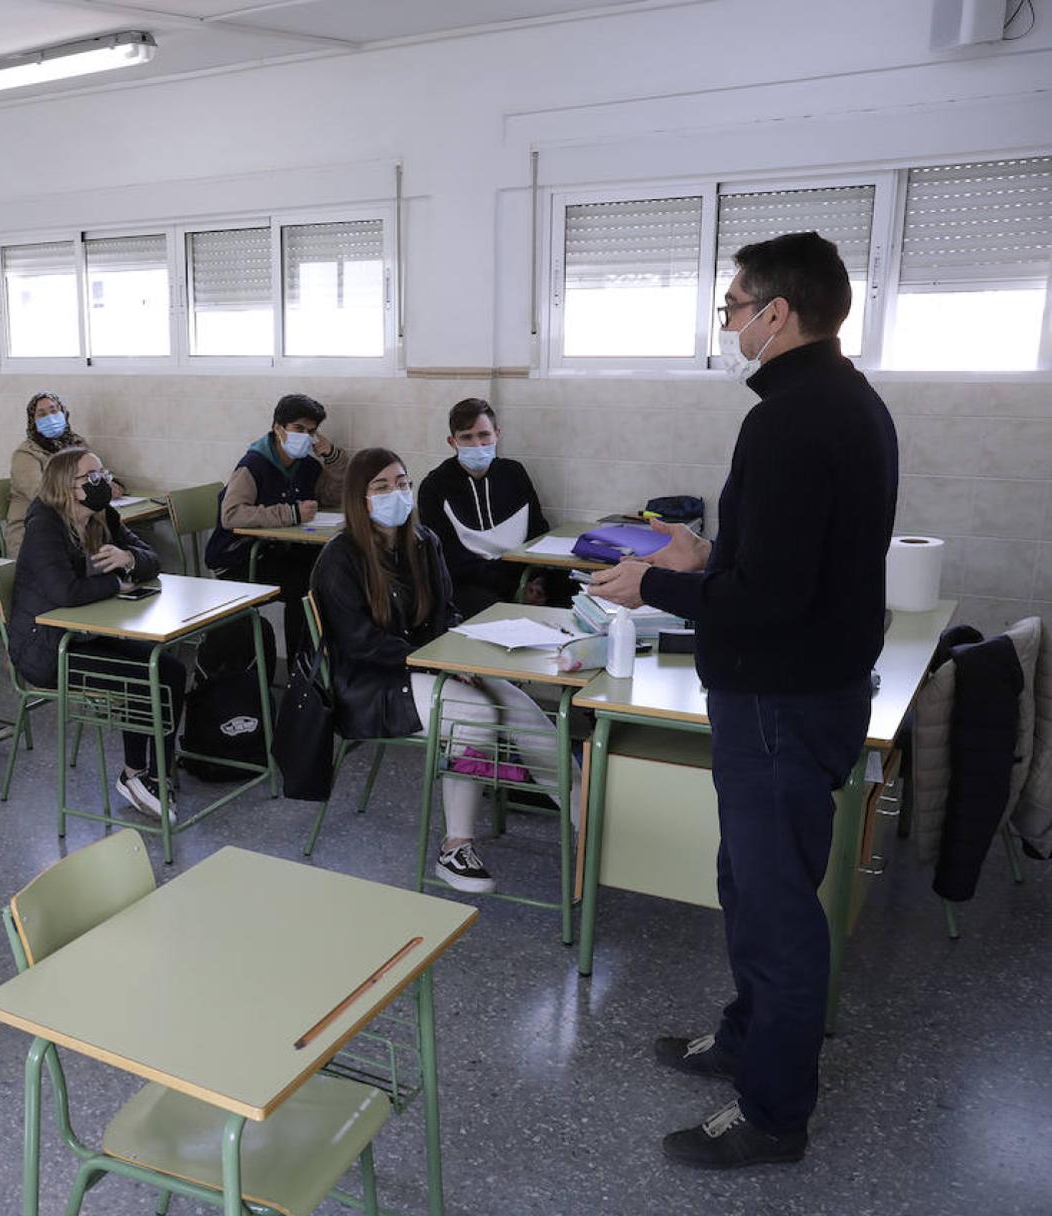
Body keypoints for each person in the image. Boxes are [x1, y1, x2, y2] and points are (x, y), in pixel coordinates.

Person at [590, 232, 898, 1169]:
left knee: (776, 912)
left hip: (779, 698)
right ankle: (743, 1040)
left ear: (777, 312)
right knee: (752, 886)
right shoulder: (845, 402)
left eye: (733, 308)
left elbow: (773, 602)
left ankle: (773, 1116)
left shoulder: (792, 418)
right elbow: (781, 568)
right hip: (803, 690)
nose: (728, 324)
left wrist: (657, 587)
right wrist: (707, 560)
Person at [312, 449, 576, 894]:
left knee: (519, 705)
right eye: (381, 487)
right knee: (475, 715)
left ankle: (583, 815)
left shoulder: (422, 542)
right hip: (370, 685)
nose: (396, 493)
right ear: (358, 498)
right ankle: (456, 849)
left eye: (401, 483)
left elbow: (445, 614)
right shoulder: (340, 558)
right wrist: (440, 663)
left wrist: (458, 657)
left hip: (426, 664)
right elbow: (361, 645)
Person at [8, 446, 182, 822]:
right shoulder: (44, 527)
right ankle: (134, 774)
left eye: (102, 472)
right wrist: (117, 583)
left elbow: (151, 558)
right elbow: (65, 593)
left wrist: (129, 559)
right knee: (144, 677)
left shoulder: (102, 515)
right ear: (66, 487)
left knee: (169, 669)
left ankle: (161, 773)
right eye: (92, 477)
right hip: (46, 648)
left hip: (86, 633)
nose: (102, 481)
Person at [203, 393, 348, 659]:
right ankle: (300, 667)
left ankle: (323, 663)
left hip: (277, 551)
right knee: (305, 584)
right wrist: (290, 513)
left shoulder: (304, 465)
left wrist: (333, 458)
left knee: (330, 569)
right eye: (299, 429)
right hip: (240, 557)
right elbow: (231, 514)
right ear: (278, 428)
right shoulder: (253, 464)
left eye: (312, 431)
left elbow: (330, 496)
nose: (306, 436)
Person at [416, 398, 563, 618]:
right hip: (469, 585)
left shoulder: (515, 473)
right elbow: (448, 559)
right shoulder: (434, 486)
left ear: (497, 434)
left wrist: (538, 581)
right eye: (466, 437)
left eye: (484, 435)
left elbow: (538, 532)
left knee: (573, 592)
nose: (477, 445)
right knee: (490, 610)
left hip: (524, 573)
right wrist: (515, 589)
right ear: (452, 441)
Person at [4, 392, 125, 559]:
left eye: (54, 411)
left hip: (79, 526)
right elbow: (43, 495)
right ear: (33, 421)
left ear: (63, 412)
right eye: (42, 414)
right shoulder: (26, 454)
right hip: (33, 532)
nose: (50, 417)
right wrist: (88, 490)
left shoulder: (76, 443)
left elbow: (96, 472)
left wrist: (109, 484)